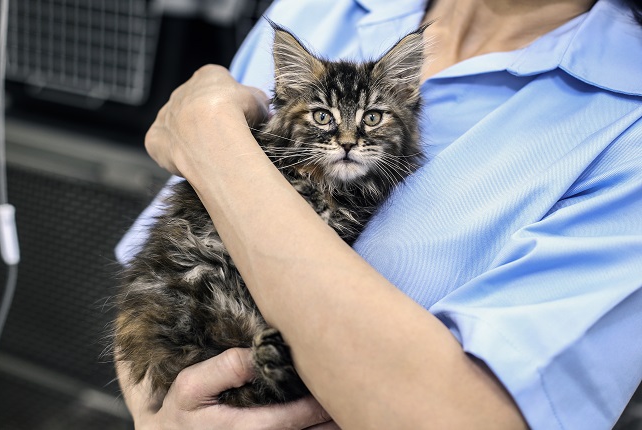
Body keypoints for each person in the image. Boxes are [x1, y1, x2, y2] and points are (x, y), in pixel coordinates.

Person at [114, 0, 642, 428]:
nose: (346, 138)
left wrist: (210, 136)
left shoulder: (627, 119)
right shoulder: (316, 10)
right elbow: (157, 279)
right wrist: (159, 416)